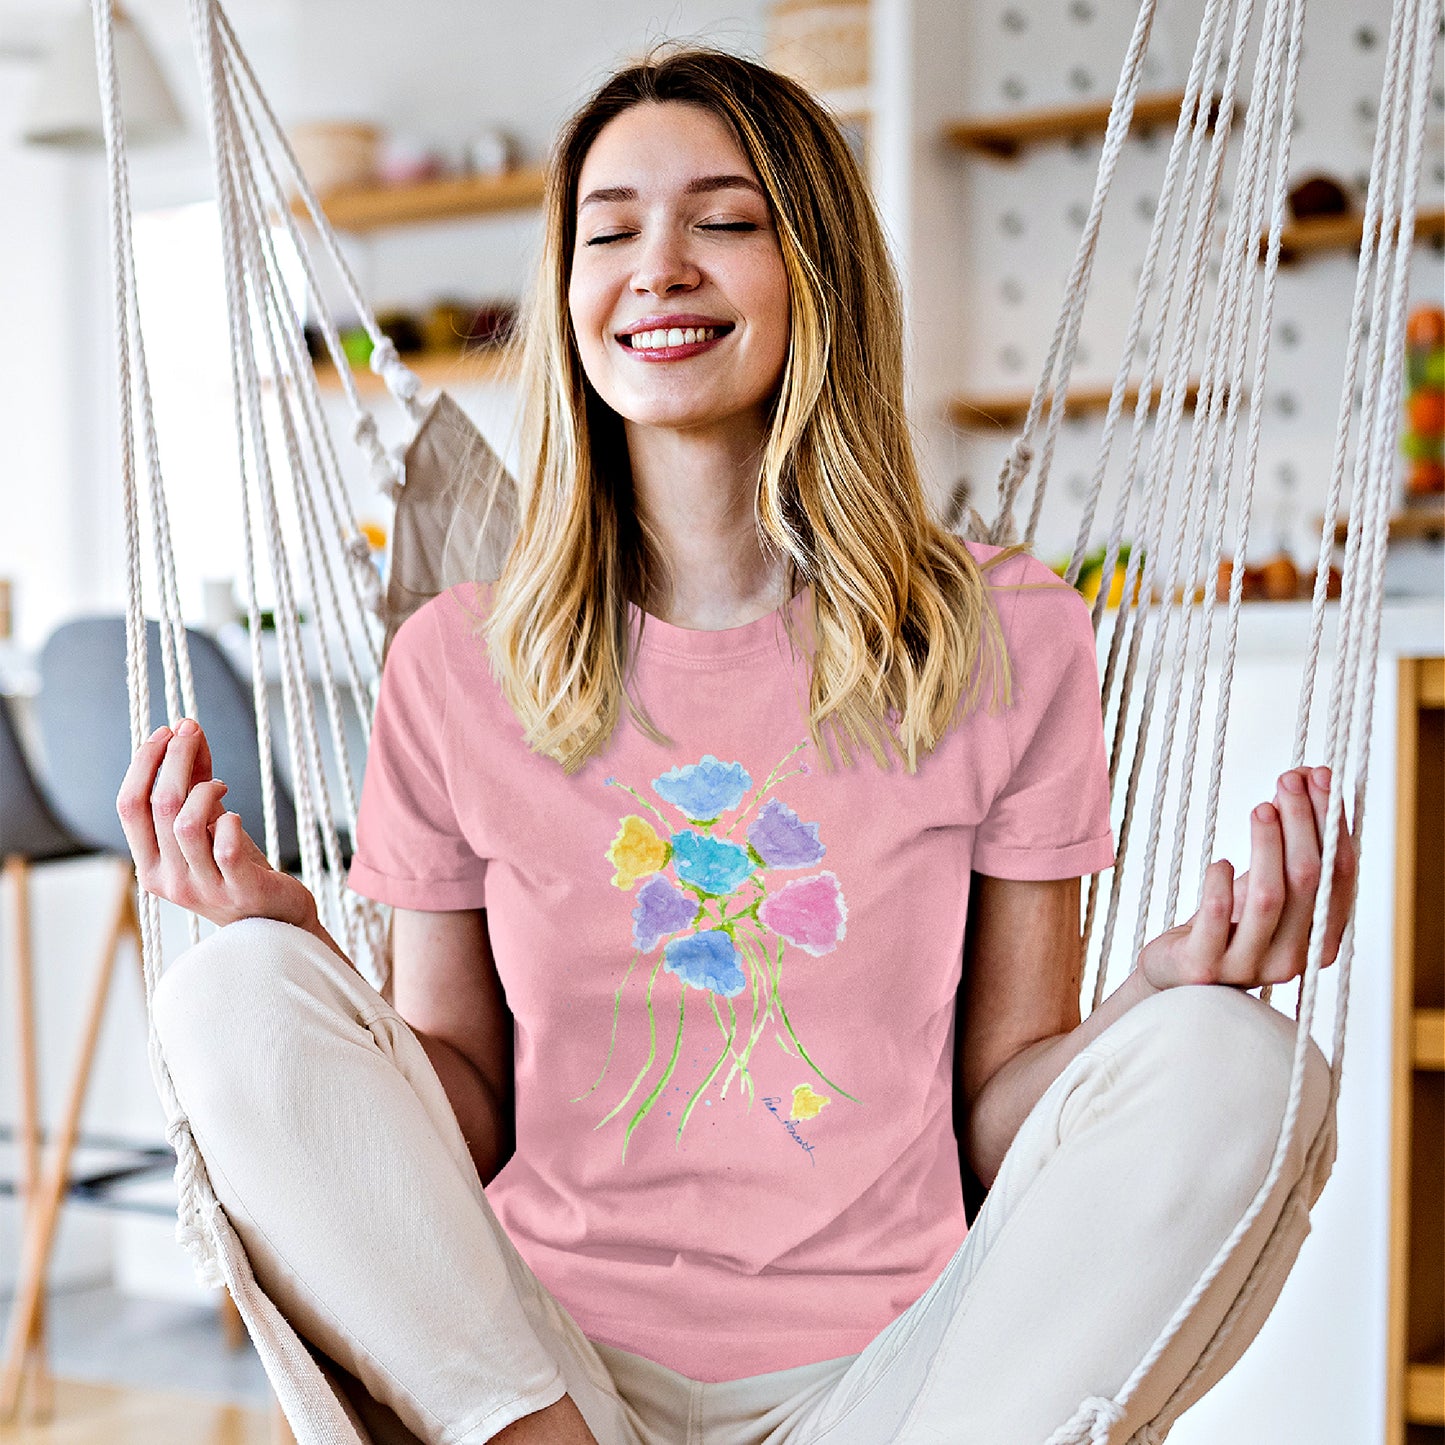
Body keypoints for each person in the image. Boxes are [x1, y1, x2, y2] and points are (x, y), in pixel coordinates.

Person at [118, 46, 1355, 1445]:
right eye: (609, 231)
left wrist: (1161, 988)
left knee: (1242, 1058)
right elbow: (460, 1107)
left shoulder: (1003, 638)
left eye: (723, 220)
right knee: (227, 991)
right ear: (568, 291)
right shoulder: (453, 665)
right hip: (546, 1374)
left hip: (904, 1381)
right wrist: (305, 962)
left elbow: (1004, 1115)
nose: (657, 267)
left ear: (815, 272)